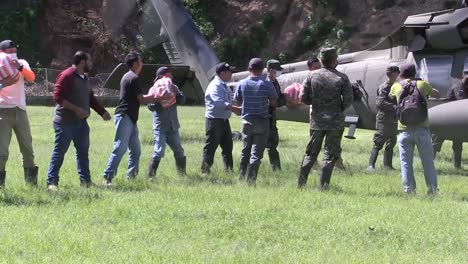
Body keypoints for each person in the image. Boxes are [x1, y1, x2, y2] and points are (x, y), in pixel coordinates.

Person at [46, 51, 111, 191]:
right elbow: (57, 96)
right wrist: (75, 109)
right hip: (64, 123)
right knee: (59, 152)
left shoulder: (85, 78)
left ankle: (86, 182)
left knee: (83, 153)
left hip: (81, 124)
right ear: (82, 62)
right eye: (90, 61)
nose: (91, 63)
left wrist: (102, 112)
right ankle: (52, 182)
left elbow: (91, 98)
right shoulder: (67, 75)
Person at [102, 52, 168, 186]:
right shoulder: (133, 77)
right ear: (135, 63)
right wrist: (159, 97)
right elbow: (141, 99)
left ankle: (131, 177)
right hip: (125, 116)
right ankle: (107, 177)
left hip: (130, 118)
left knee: (136, 150)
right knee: (120, 147)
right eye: (141, 61)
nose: (142, 64)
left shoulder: (129, 76)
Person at [298, 48, 353, 189]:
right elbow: (348, 100)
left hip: (316, 121)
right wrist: (338, 108)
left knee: (311, 153)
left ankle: (301, 184)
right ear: (334, 60)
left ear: (321, 60)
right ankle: (324, 186)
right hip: (335, 122)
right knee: (330, 154)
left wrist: (315, 104)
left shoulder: (311, 76)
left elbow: (303, 97)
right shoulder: (342, 77)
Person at [389, 63, 441, 194]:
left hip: (404, 131)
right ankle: (432, 190)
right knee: (428, 162)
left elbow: (390, 96)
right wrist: (424, 84)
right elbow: (437, 94)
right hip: (422, 130)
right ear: (415, 73)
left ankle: (409, 191)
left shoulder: (396, 86)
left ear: (401, 74)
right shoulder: (422, 85)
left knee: (406, 163)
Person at [0, 40, 38, 188]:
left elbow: (31, 77)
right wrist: (4, 83)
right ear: (3, 52)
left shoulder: (22, 62)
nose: (13, 52)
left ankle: (31, 185)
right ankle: (1, 187)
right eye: (10, 50)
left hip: (21, 110)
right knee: (1, 151)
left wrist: (20, 68)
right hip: (2, 110)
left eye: (14, 49)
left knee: (27, 148)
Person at [234, 58, 278, 184]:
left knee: (245, 151)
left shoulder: (241, 84)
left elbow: (238, 101)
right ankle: (251, 180)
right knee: (256, 153)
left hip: (246, 122)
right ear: (262, 69)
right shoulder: (267, 84)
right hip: (262, 122)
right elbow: (274, 103)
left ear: (249, 69)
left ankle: (241, 176)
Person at [146, 67, 187, 180]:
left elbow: (183, 100)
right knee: (158, 151)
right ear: (162, 76)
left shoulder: (174, 87)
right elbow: (150, 106)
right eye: (170, 75)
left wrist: (175, 93)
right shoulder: (153, 89)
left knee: (179, 150)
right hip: (160, 127)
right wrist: (160, 99)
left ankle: (182, 176)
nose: (172, 77)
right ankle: (151, 176)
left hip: (173, 126)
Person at [200, 62, 240, 174]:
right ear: (222, 73)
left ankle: (229, 171)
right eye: (229, 72)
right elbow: (219, 103)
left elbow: (225, 102)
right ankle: (205, 171)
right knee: (211, 146)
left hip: (223, 120)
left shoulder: (222, 84)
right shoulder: (215, 85)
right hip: (214, 121)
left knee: (228, 146)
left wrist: (234, 109)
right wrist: (235, 108)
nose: (231, 74)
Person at [367, 66, 399, 171]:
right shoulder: (385, 86)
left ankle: (387, 166)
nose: (397, 74)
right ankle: (371, 165)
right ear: (391, 74)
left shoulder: (396, 86)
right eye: (395, 73)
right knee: (379, 141)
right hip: (384, 119)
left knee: (391, 142)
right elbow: (380, 103)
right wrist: (396, 107)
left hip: (393, 118)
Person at [432, 77, 467, 168]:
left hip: (457, 119)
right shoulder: (459, 86)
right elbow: (462, 101)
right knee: (436, 142)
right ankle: (428, 162)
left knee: (458, 142)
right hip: (445, 119)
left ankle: (457, 165)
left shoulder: (465, 85)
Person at [265, 59, 286, 171]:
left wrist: (285, 96)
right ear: (271, 70)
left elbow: (277, 97)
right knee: (263, 145)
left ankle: (276, 169)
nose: (279, 73)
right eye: (277, 70)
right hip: (265, 117)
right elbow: (271, 102)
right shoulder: (266, 83)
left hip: (271, 117)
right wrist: (285, 100)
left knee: (273, 144)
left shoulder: (275, 82)